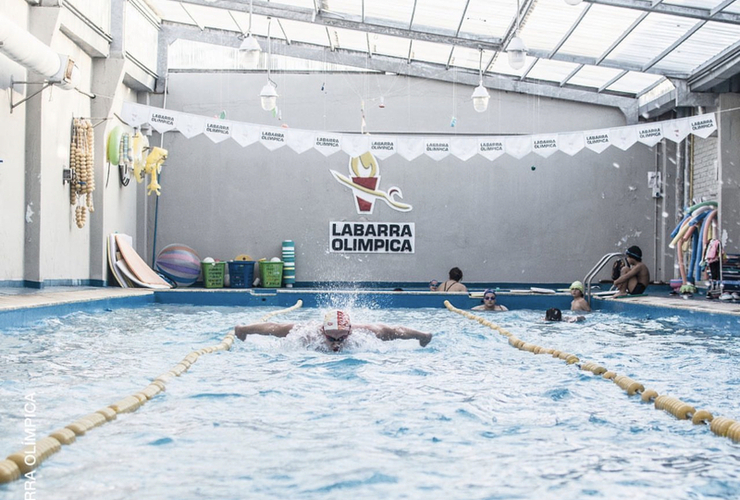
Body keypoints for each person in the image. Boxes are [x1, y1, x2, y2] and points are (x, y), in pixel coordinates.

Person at [235, 309, 433, 352]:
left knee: (387, 333)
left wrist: (421, 336)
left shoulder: (364, 332)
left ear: (350, 331)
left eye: (342, 337)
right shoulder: (309, 332)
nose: (336, 342)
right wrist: (244, 330)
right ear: (323, 331)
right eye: (331, 337)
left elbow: (395, 330)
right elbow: (274, 328)